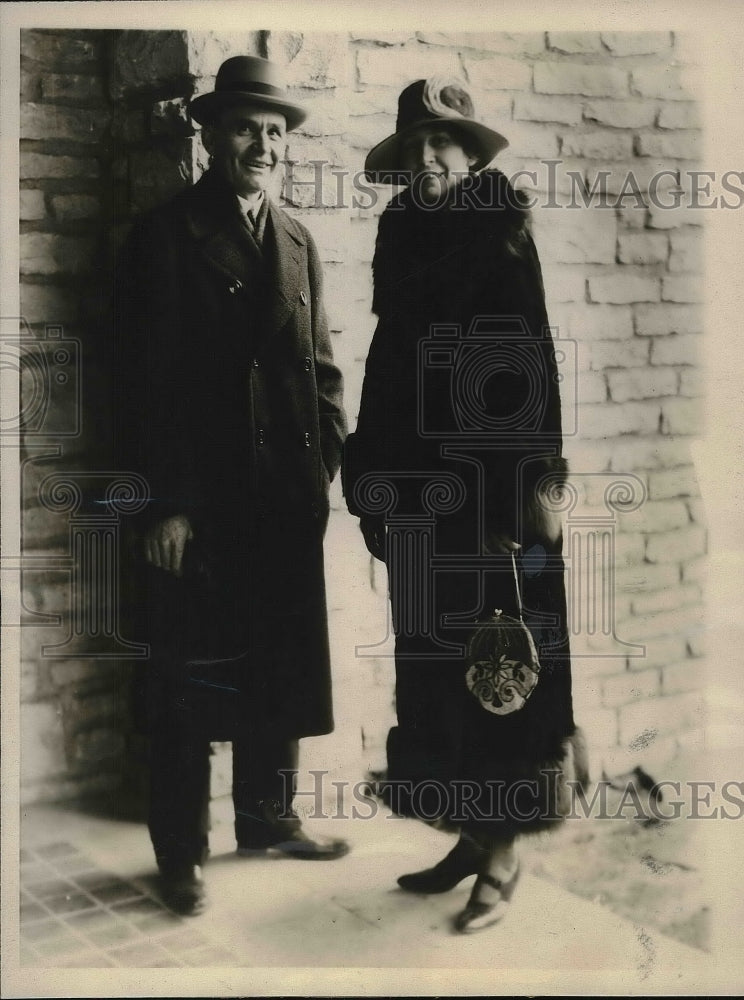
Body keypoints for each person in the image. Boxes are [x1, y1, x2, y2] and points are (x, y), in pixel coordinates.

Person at [343, 77, 586, 933]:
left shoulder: (499, 226)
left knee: (502, 669)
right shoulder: (401, 231)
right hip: (419, 496)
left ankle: (506, 852)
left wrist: (528, 494)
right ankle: (467, 834)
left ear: (473, 153)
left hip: (491, 495)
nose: (425, 160)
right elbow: (384, 363)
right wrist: (370, 473)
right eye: (413, 148)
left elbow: (531, 369)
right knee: (437, 669)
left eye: (442, 143)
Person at [114, 56, 349, 916]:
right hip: (198, 507)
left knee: (276, 664)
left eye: (276, 131)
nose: (264, 144)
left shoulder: (297, 239)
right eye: (247, 127)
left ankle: (270, 818)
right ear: (209, 135)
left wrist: (321, 464)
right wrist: (163, 504)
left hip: (282, 500)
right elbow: (138, 384)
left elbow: (321, 368)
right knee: (188, 682)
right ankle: (181, 853)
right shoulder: (162, 236)